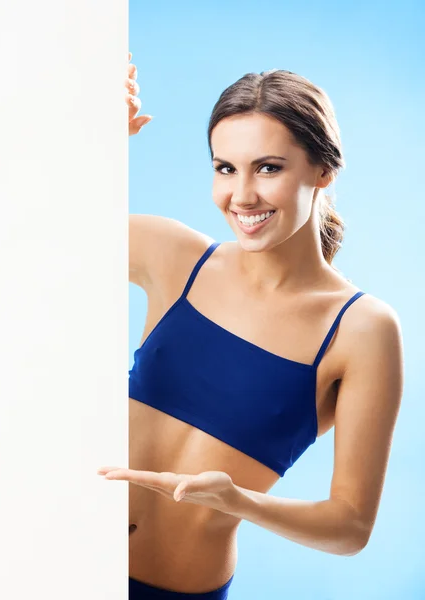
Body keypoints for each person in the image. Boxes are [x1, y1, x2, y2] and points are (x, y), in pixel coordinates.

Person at [98, 53, 404, 599]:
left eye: (268, 168)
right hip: (53, 554)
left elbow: (351, 527)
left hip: (176, 590)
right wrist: (91, 139)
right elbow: (25, 241)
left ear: (323, 169)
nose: (241, 196)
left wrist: (236, 500)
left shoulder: (362, 329)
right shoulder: (172, 254)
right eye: (225, 168)